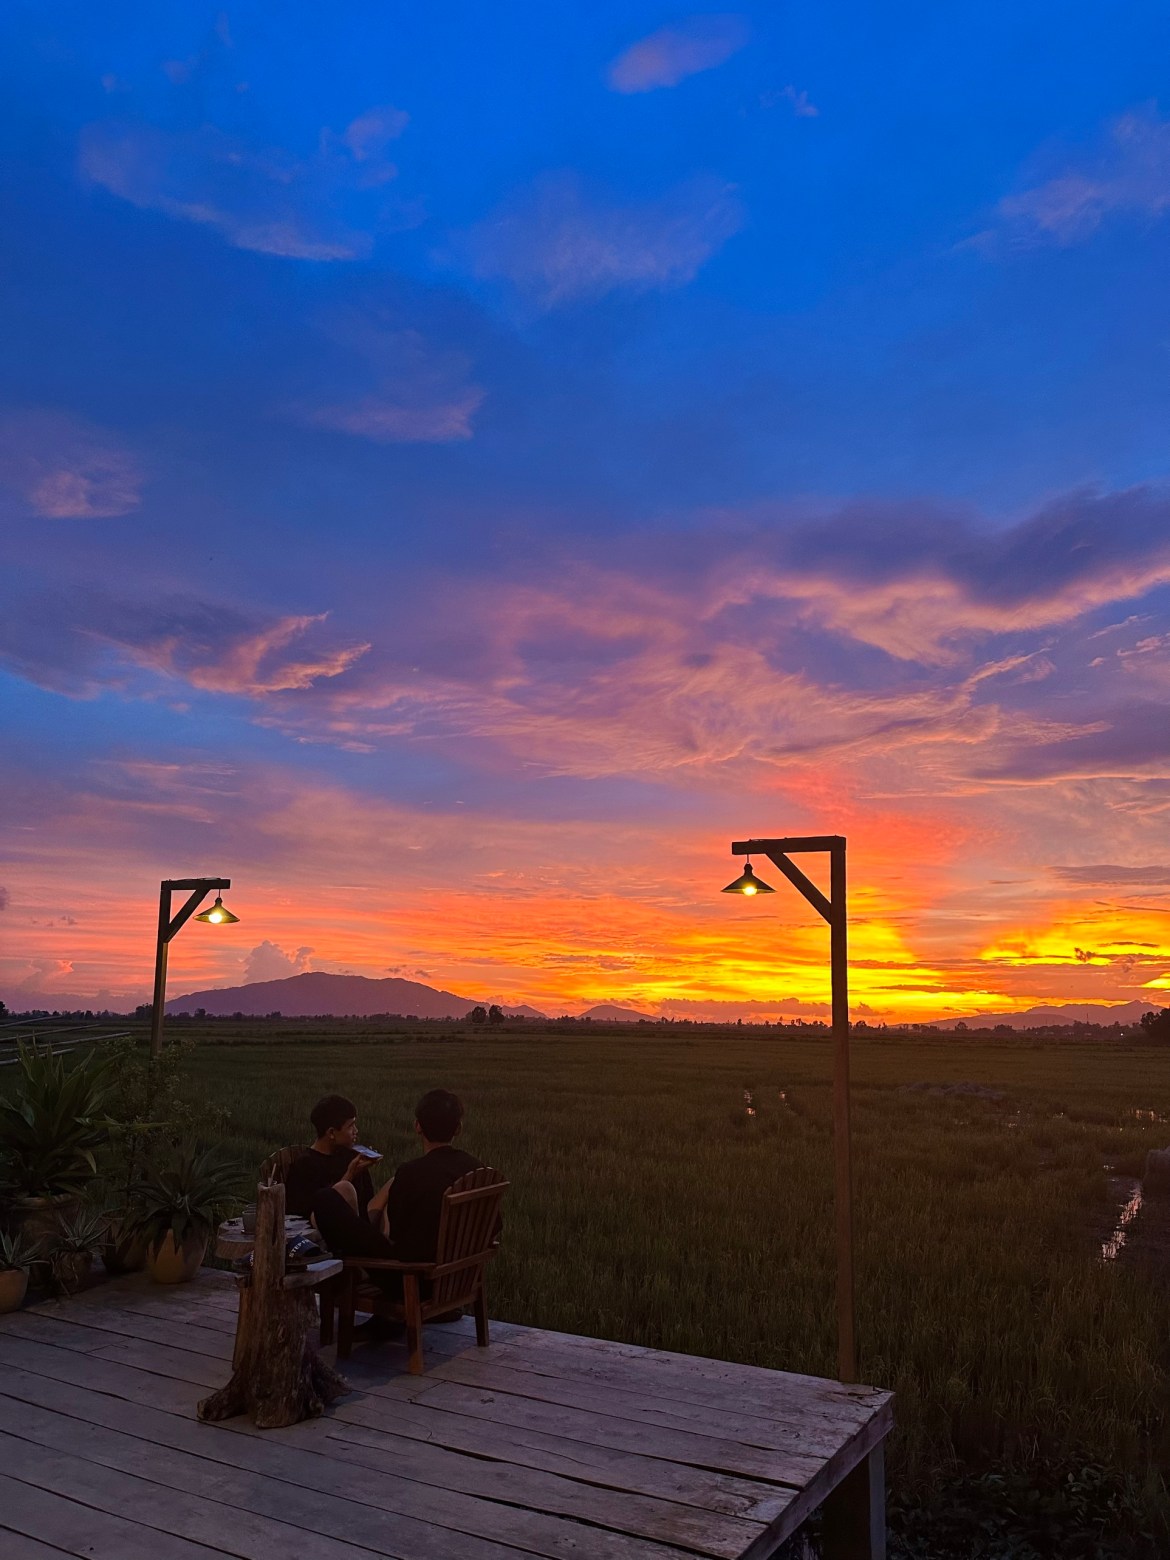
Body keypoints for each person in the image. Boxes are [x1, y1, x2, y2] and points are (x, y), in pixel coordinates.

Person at [310, 1088, 485, 1313]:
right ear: (458, 1128)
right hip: (460, 1278)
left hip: (412, 1279)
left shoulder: (411, 1173)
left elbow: (396, 1234)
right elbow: (493, 1228)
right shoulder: (477, 1169)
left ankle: (345, 1293)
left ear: (417, 1126)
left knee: (325, 1199)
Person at [283, 1094, 391, 1231]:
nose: (356, 1131)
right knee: (344, 1187)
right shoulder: (305, 1165)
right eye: (350, 1126)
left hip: (361, 1224)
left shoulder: (350, 1156)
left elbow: (366, 1202)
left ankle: (389, 1245)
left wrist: (361, 1171)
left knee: (396, 1182)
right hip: (330, 1234)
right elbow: (310, 1215)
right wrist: (350, 1175)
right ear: (331, 1132)